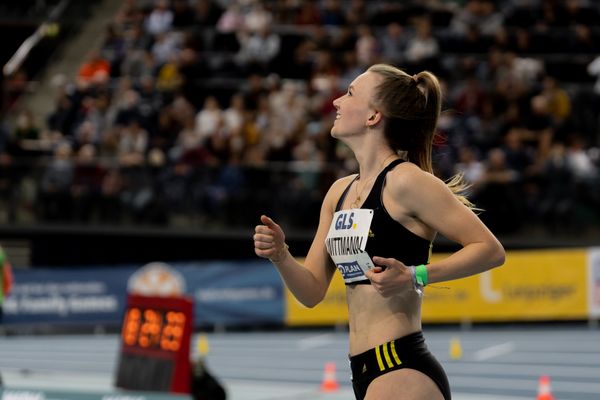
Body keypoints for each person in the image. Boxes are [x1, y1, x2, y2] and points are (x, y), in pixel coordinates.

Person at [254, 63, 505, 400]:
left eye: (350, 93)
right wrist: (281, 255)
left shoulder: (406, 182)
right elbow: (312, 292)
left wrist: (416, 274)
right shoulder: (339, 193)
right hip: (363, 369)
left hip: (400, 366)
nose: (336, 102)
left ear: (373, 117)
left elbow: (490, 249)